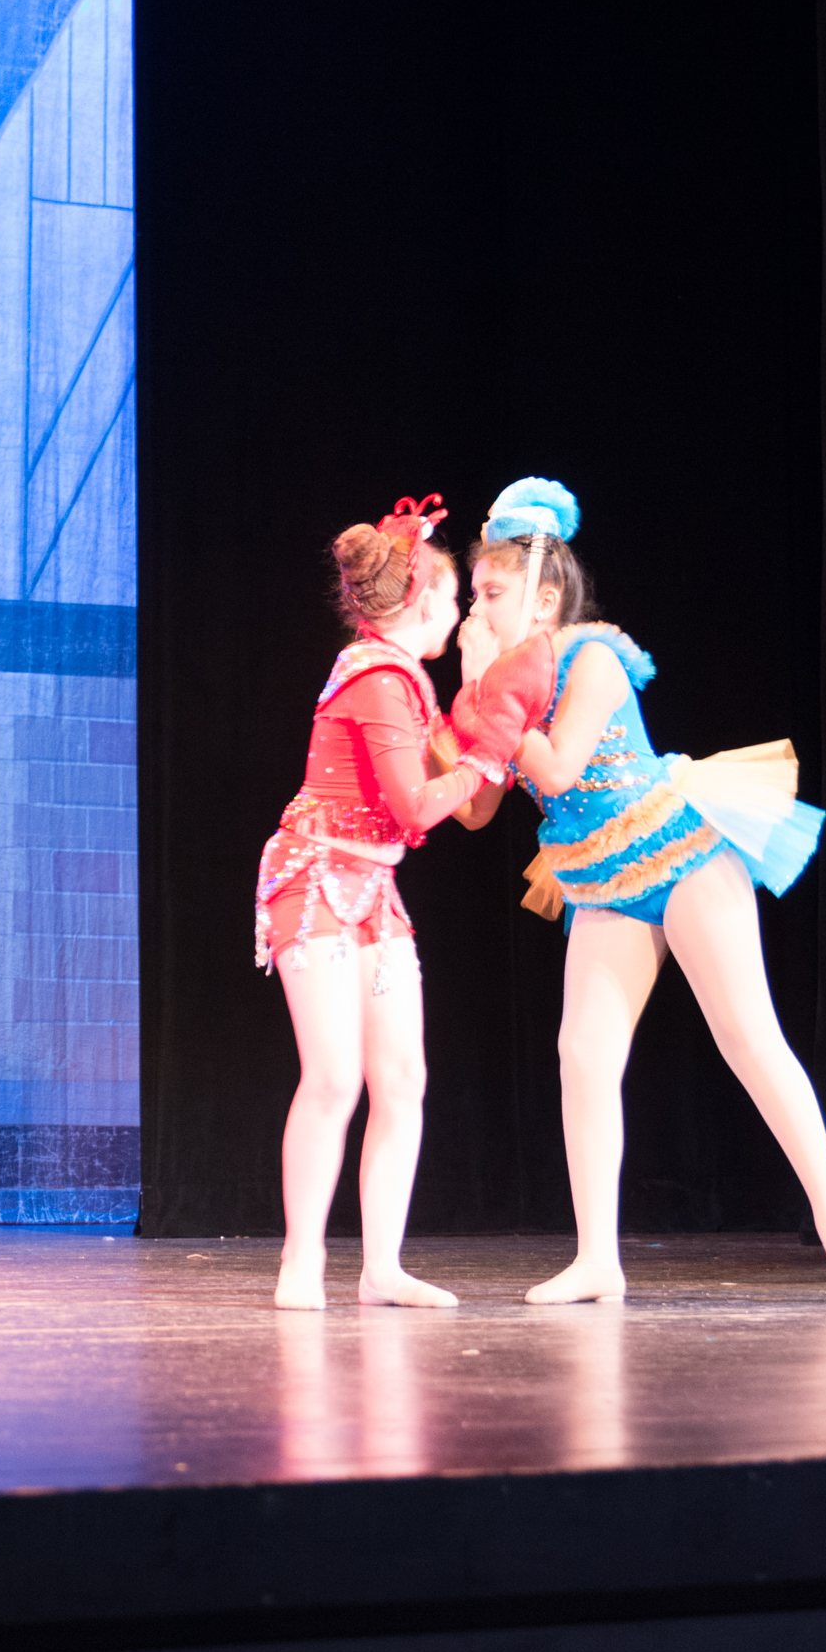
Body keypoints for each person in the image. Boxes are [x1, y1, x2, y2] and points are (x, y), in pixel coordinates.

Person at [450, 477, 826, 1305]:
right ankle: (597, 1259)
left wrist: (481, 696)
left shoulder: (592, 659)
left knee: (747, 1036)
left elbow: (559, 768)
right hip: (601, 879)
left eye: (493, 594)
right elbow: (475, 810)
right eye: (475, 595)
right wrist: (449, 726)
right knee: (583, 1055)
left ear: (544, 600)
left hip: (677, 850)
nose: (479, 611)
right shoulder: (505, 691)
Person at [257, 495, 505, 1309]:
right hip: (316, 875)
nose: (460, 614)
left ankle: (382, 1268)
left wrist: (487, 710)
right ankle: (301, 1261)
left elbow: (472, 809)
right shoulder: (376, 676)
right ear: (425, 599)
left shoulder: (410, 683)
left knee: (401, 1078)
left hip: (373, 886)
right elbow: (417, 807)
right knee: (334, 1077)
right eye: (455, 599)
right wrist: (487, 758)